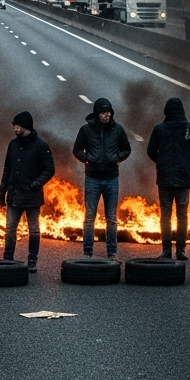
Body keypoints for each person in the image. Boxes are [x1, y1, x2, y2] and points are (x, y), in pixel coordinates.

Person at [146, 97, 190, 260]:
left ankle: (166, 251)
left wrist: (161, 163)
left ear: (166, 110)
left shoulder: (159, 129)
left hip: (165, 177)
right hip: (183, 177)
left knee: (165, 215)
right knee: (182, 215)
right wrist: (189, 163)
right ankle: (181, 251)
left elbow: (151, 151)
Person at [72, 97, 131, 261]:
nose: (107, 116)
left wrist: (117, 157)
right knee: (90, 217)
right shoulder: (86, 130)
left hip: (112, 178)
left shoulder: (117, 130)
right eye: (104, 113)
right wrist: (87, 159)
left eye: (109, 113)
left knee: (111, 218)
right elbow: (76, 149)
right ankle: (87, 252)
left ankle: (112, 252)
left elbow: (127, 149)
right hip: (93, 178)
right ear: (97, 114)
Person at [0, 111, 55, 272]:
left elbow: (50, 169)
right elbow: (7, 169)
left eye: (18, 125)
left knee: (34, 230)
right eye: (14, 125)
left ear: (26, 127)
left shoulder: (41, 145)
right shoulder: (13, 144)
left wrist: (36, 183)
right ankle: (8, 258)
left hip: (32, 196)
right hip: (14, 195)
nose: (15, 128)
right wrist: (2, 191)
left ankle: (32, 260)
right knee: (10, 229)